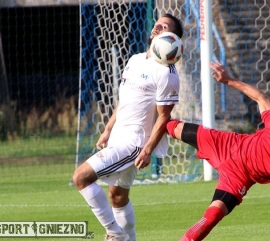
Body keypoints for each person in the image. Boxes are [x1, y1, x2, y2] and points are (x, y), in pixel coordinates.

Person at [160, 62, 270, 241]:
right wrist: (229, 80)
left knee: (213, 216)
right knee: (166, 124)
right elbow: (261, 98)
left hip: (238, 177)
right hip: (226, 145)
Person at [72, 13, 184, 241]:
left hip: (134, 144)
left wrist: (147, 150)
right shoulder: (135, 60)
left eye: (165, 27)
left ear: (173, 39)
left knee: (81, 177)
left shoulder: (167, 73)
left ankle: (115, 235)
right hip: (118, 137)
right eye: (157, 23)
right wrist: (108, 129)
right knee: (117, 196)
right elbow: (124, 100)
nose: (157, 27)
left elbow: (164, 117)